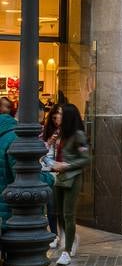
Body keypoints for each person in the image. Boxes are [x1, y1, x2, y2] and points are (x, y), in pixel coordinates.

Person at [1, 105, 55, 236]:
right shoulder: (17, 138)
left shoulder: (4, 134)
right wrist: (51, 177)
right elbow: (25, 181)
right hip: (13, 214)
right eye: (39, 121)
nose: (40, 125)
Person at [51, 103, 91, 266]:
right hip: (59, 177)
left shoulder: (78, 135)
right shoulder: (60, 133)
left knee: (68, 214)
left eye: (60, 114)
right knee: (58, 213)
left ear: (67, 116)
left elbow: (87, 159)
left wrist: (66, 165)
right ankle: (71, 239)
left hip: (72, 178)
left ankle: (66, 252)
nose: (56, 117)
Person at [41, 104, 62, 247]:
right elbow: (40, 154)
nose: (56, 120)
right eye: (54, 117)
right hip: (47, 171)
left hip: (59, 172)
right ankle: (53, 235)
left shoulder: (67, 133)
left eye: (59, 117)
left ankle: (60, 236)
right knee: (50, 205)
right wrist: (49, 143)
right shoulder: (43, 132)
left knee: (57, 207)